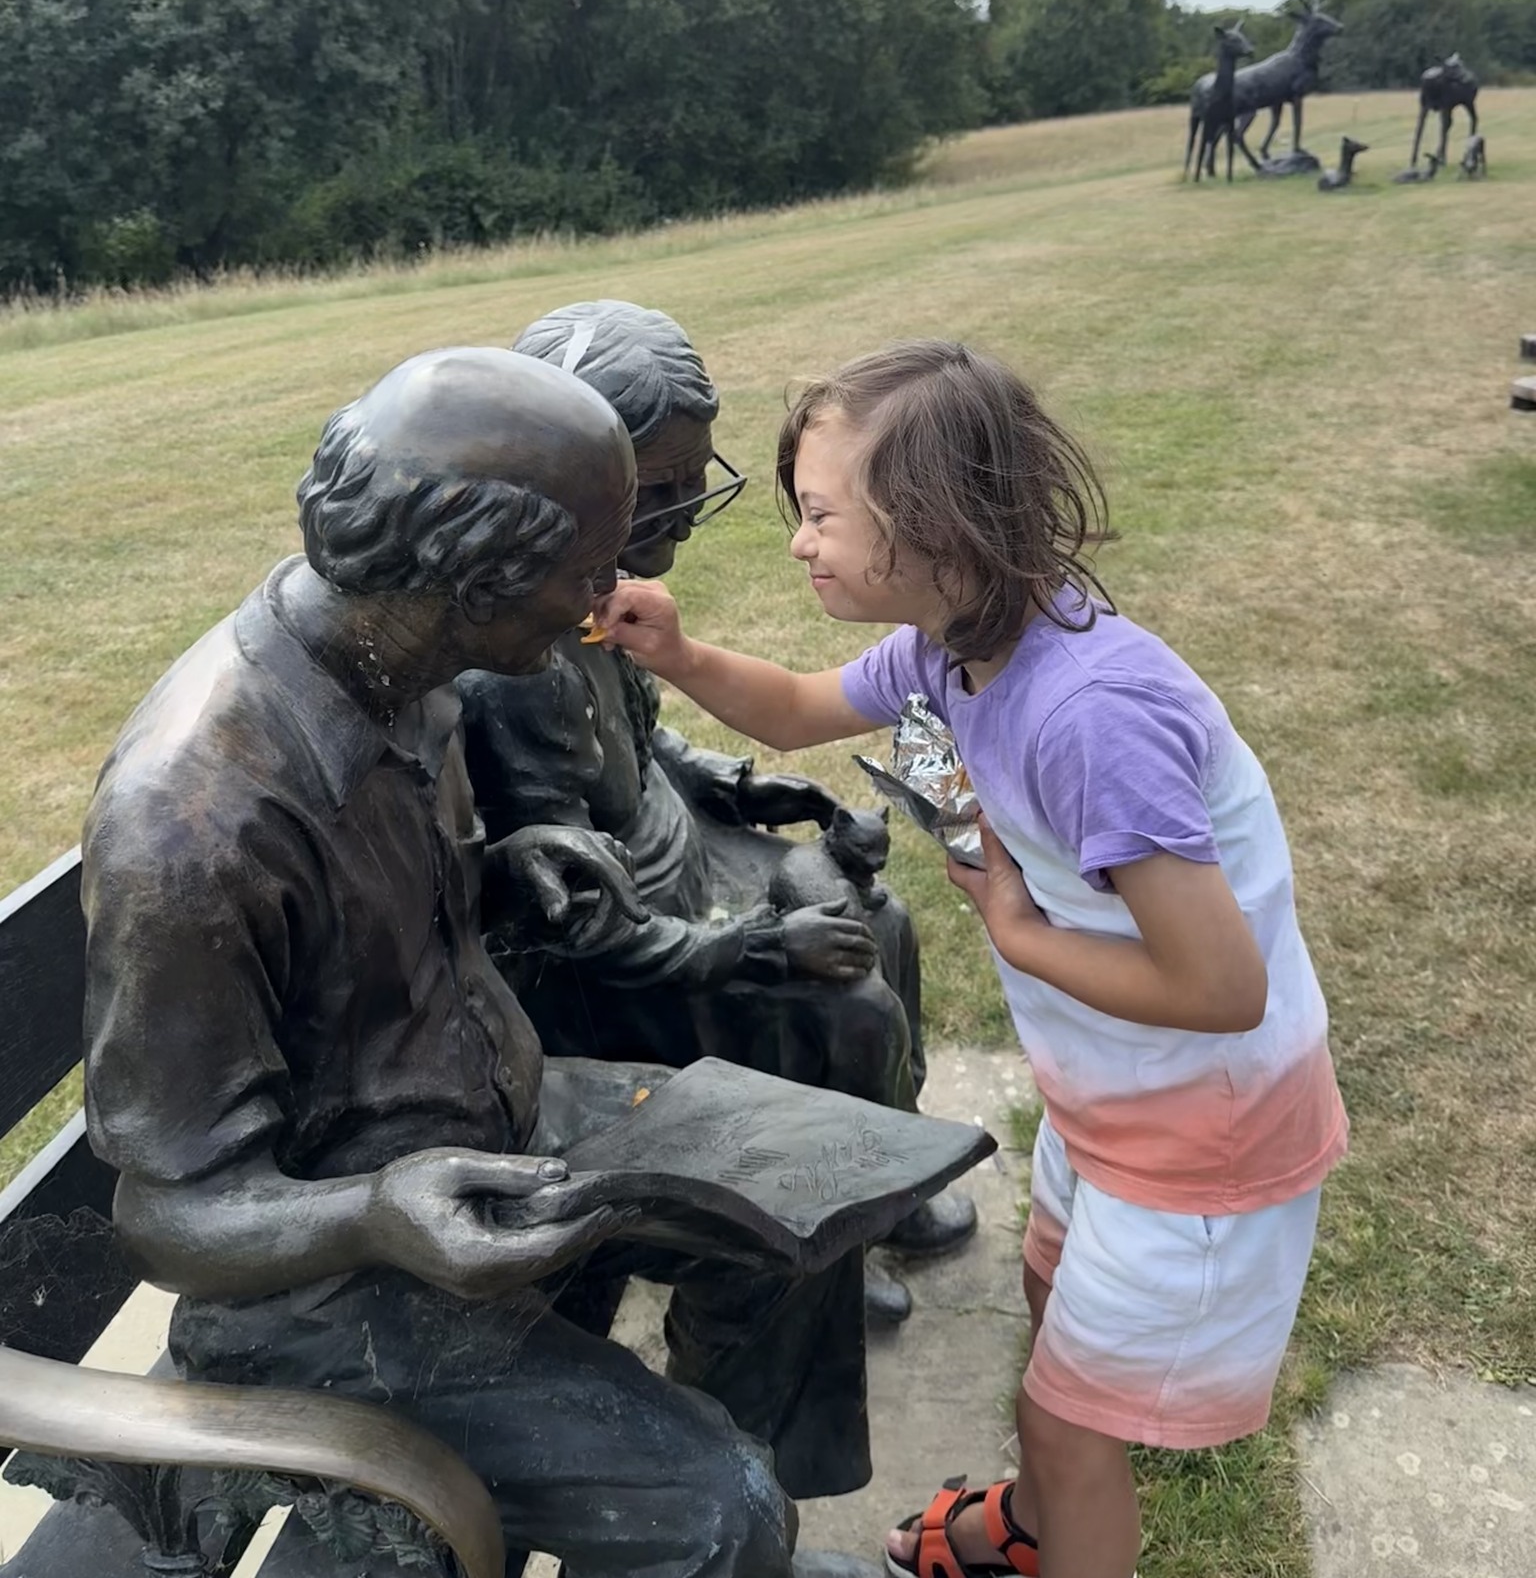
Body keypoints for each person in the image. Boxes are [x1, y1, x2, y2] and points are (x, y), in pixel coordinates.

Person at [80, 346, 883, 1578]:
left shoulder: (404, 667)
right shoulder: (197, 824)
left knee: (813, 1199)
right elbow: (170, 1214)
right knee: (713, 1505)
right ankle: (726, 1534)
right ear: (472, 575)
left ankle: (738, 1543)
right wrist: (377, 1214)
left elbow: (368, 940)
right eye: (585, 568)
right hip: (330, 1285)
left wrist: (503, 864)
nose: (605, 594)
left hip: (509, 1135)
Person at [589, 340, 1350, 1578]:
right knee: (1052, 1320)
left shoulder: (1090, 712)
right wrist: (673, 651)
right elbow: (795, 704)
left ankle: (1062, 1529)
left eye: (823, 513)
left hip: (1203, 1138)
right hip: (1109, 1106)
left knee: (1071, 1416)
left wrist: (1021, 933)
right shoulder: (954, 649)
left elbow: (1223, 987)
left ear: (934, 520)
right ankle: (1033, 1525)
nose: (799, 541)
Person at [456, 302, 974, 1322]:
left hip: (688, 868)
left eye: (696, 472)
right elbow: (578, 922)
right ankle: (823, 1231)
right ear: (568, 488)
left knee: (890, 926)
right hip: (628, 970)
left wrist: (739, 785)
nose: (692, 504)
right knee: (849, 1006)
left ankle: (884, 1174)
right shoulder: (515, 666)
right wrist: (761, 948)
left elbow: (640, 745)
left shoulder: (595, 596)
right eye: (659, 486)